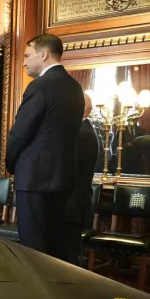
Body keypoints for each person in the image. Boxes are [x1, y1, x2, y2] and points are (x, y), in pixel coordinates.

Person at [6, 33, 85, 260]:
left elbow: (21, 132)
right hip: (64, 180)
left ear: (44, 54)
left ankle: (35, 295)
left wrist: (10, 164)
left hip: (34, 180)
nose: (24, 61)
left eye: (28, 55)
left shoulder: (39, 86)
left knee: (34, 250)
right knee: (58, 250)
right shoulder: (75, 88)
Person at [64, 93, 101, 265]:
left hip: (74, 204)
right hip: (73, 203)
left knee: (71, 257)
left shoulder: (82, 134)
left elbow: (67, 167)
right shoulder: (81, 130)